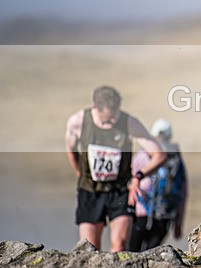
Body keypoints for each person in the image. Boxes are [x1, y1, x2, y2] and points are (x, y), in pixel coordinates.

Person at [65, 85, 165, 252]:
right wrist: (80, 173)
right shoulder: (78, 122)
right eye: (107, 119)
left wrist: (138, 176)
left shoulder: (129, 123)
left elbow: (159, 155)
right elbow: (71, 151)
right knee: (88, 250)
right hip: (90, 190)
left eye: (115, 117)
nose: (112, 122)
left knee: (119, 246)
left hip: (120, 190)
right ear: (95, 108)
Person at [129, 119, 188, 251]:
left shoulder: (143, 155)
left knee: (132, 252)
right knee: (150, 254)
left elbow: (129, 180)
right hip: (165, 214)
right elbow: (183, 192)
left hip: (141, 212)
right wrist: (179, 222)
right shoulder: (176, 159)